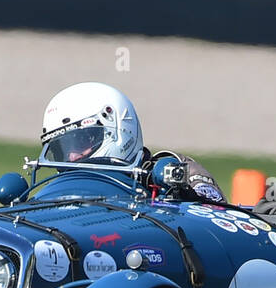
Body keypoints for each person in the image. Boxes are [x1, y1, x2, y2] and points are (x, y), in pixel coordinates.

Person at [38, 82, 227, 204]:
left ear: (117, 128)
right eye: (60, 149)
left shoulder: (180, 175)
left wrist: (180, 194)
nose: (71, 157)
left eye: (79, 142)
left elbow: (215, 220)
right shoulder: (53, 197)